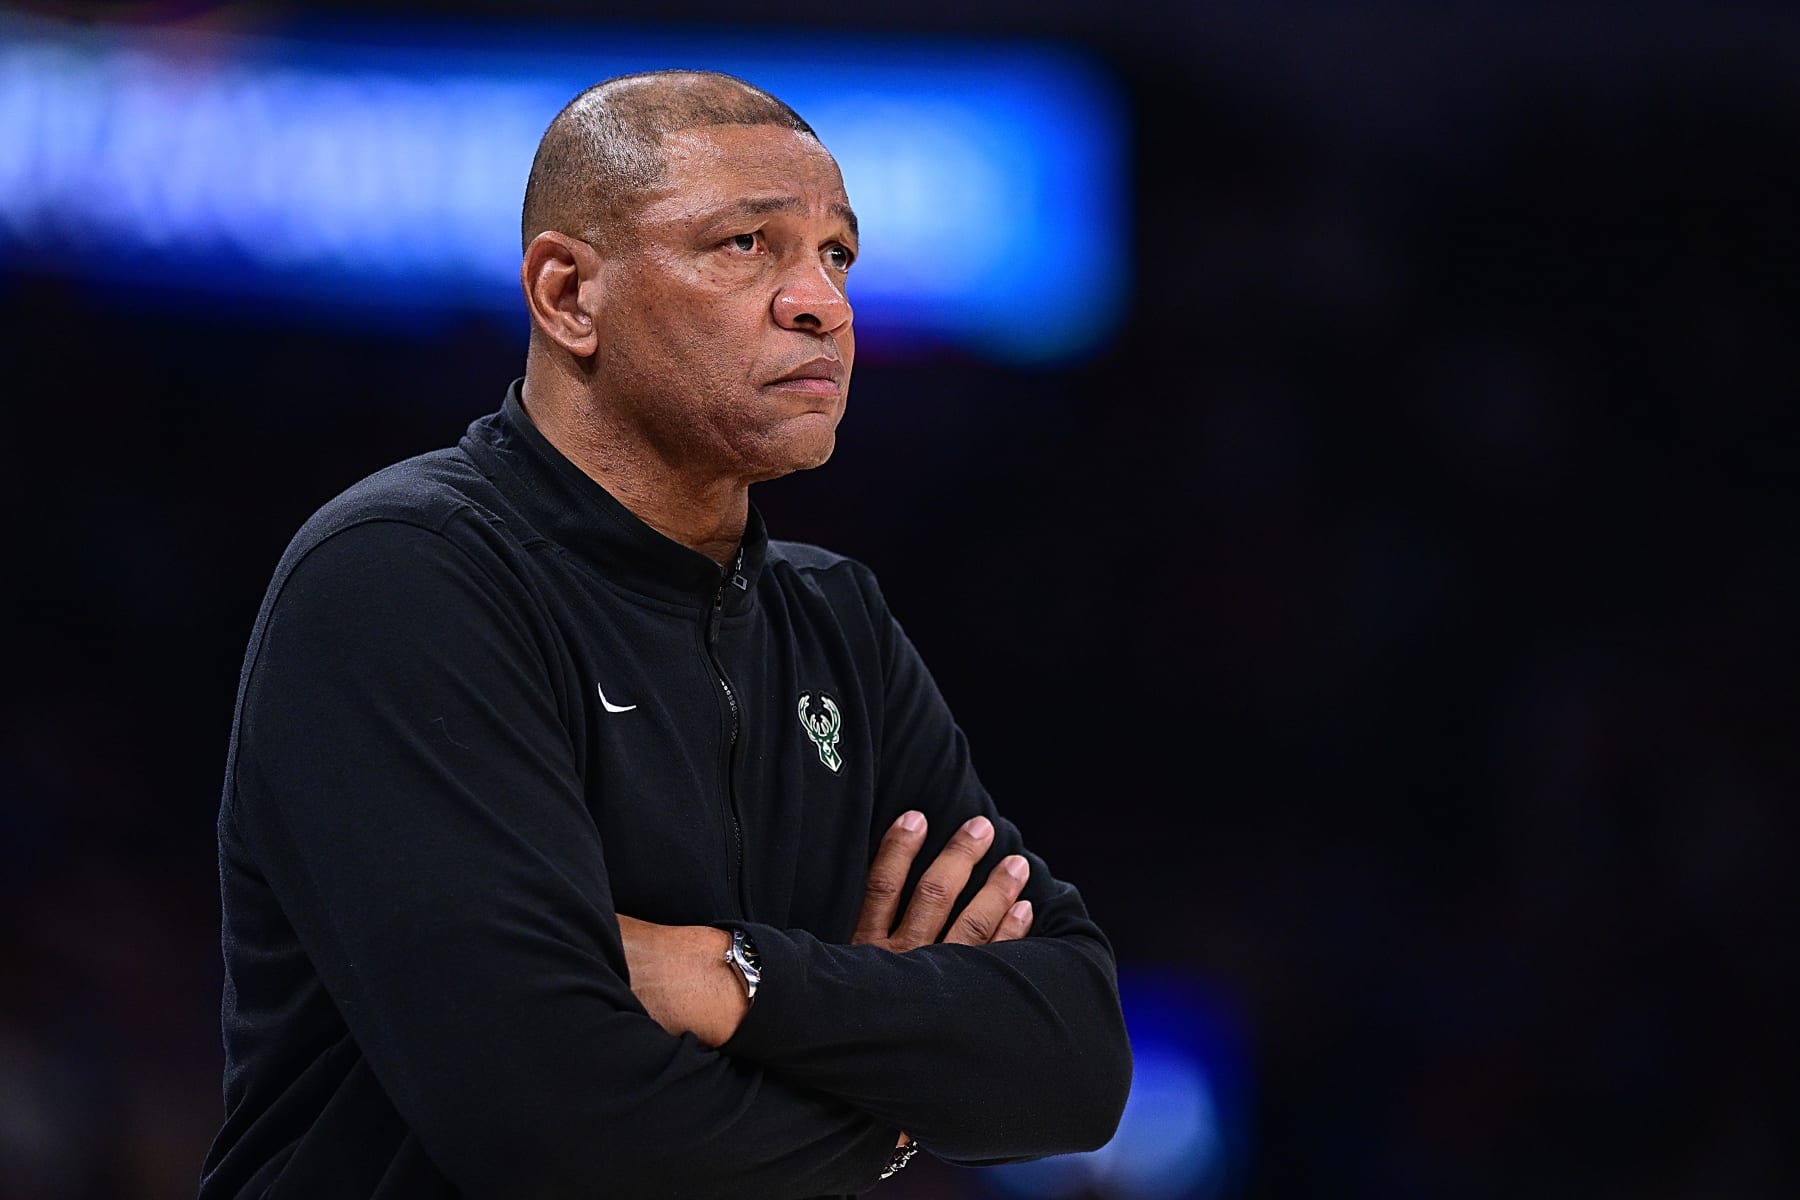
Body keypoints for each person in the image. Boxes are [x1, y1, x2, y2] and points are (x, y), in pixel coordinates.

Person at [199, 68, 1132, 1199]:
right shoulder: (403, 576)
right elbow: (559, 1132)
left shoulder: (837, 619)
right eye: (746, 244)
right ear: (567, 293)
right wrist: (895, 1104)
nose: (821, 304)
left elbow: (1078, 1063)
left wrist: (733, 975)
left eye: (836, 254)